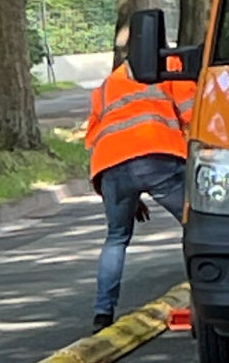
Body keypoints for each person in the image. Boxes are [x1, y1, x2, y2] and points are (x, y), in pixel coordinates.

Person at [84, 56, 196, 330]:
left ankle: (102, 313)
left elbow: (94, 136)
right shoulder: (169, 64)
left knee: (116, 238)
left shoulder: (108, 84)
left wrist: (128, 193)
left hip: (111, 165)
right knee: (198, 225)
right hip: (157, 157)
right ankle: (207, 296)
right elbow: (193, 113)